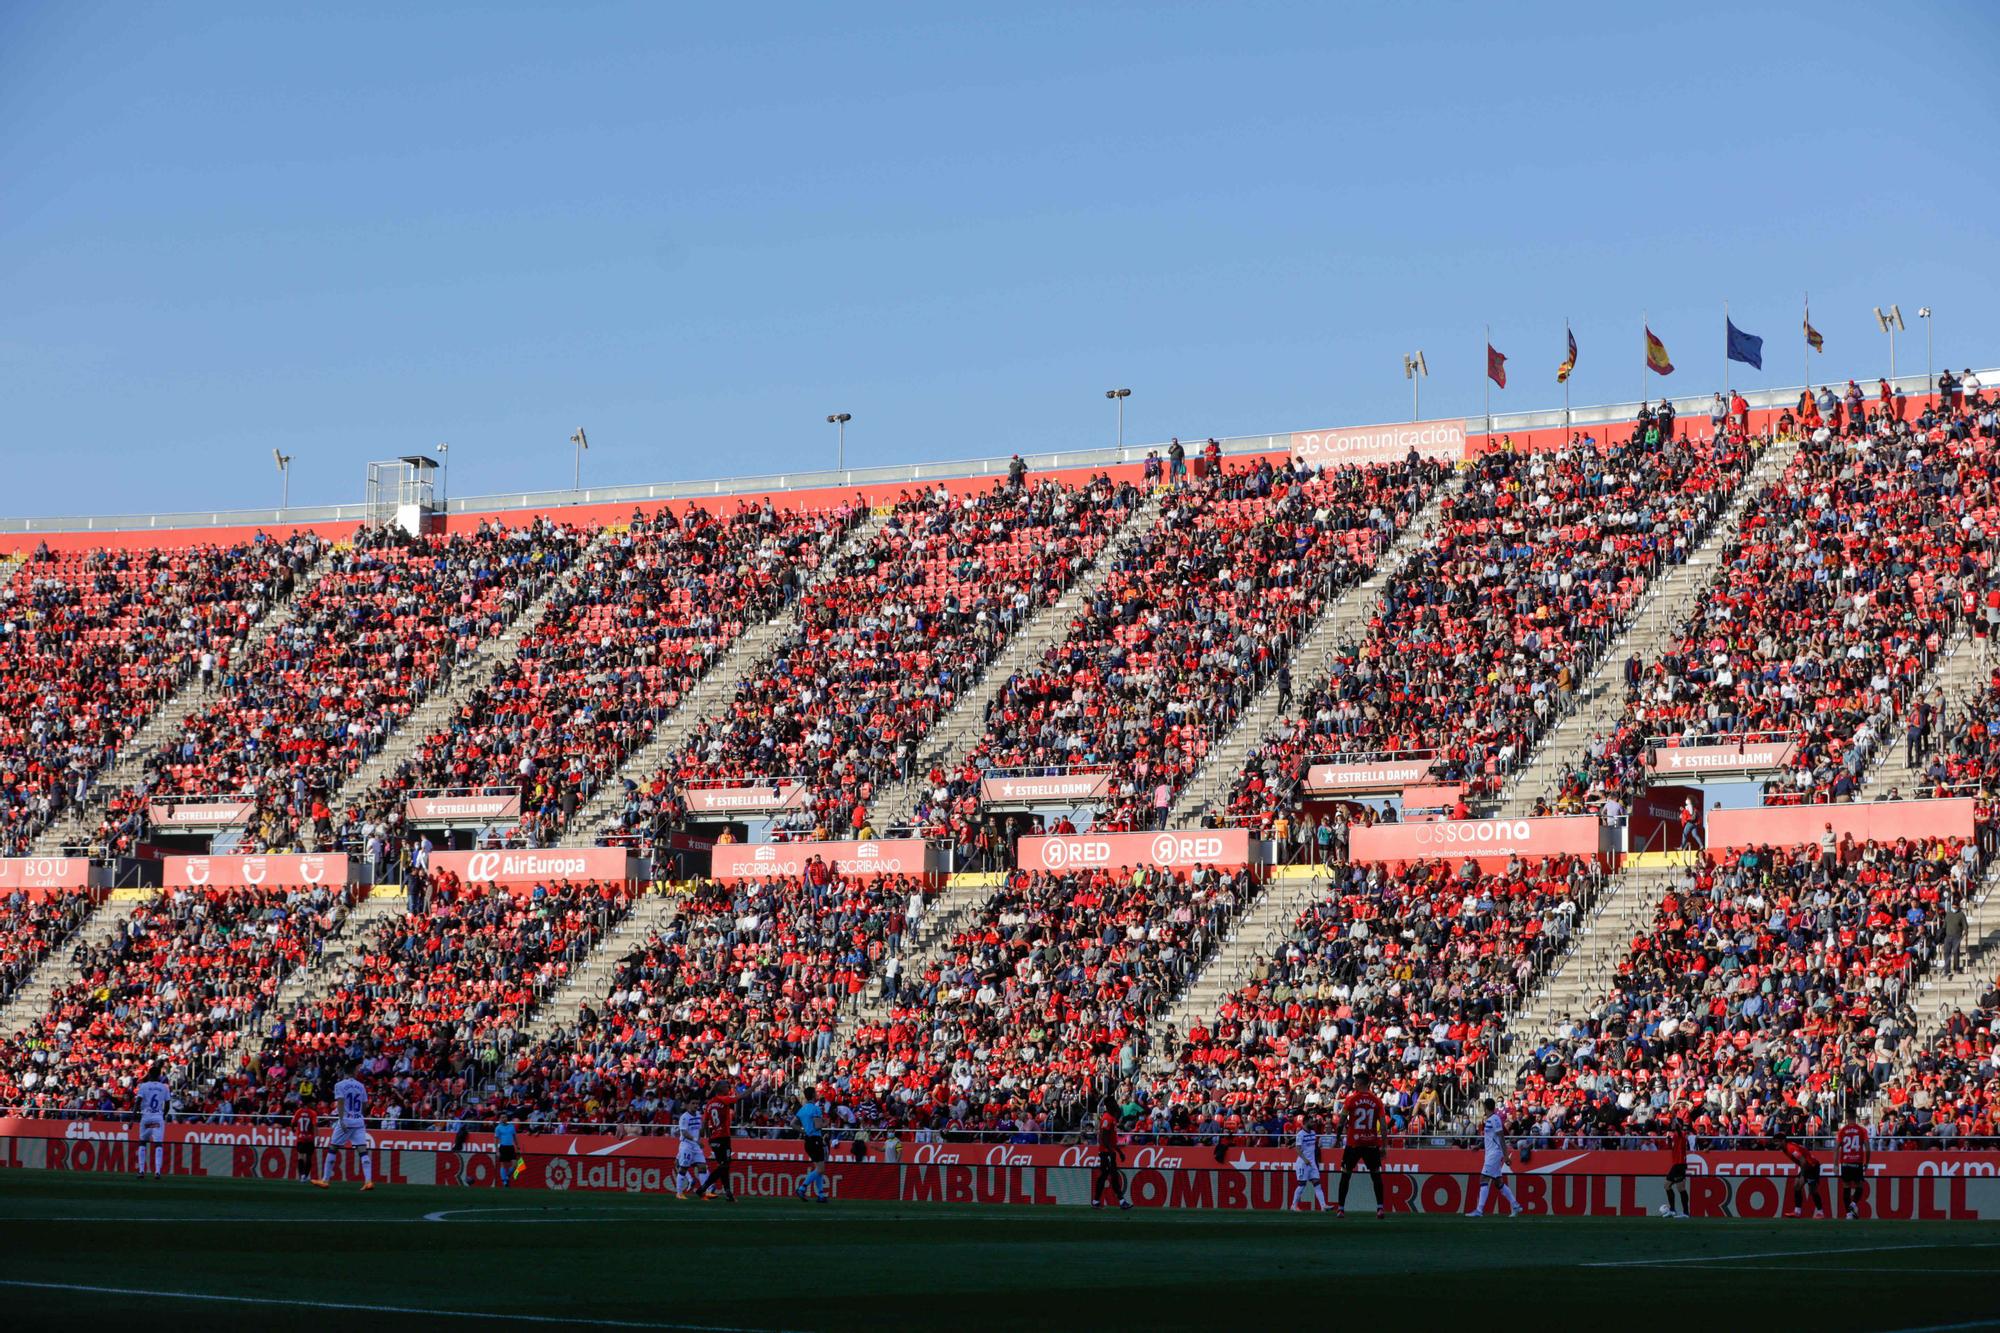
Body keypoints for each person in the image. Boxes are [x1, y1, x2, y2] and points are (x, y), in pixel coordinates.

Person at [1334, 1071, 1388, 1219]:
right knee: (1376, 1176)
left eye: (1356, 1081)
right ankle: (1380, 1208)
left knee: (1346, 1175)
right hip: (1371, 1143)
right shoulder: (1377, 1101)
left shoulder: (1350, 1100)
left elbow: (1341, 1122)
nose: (1354, 1084)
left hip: (1354, 1143)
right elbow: (1383, 1126)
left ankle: (1341, 1209)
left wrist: (1338, 1138)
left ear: (1360, 1083)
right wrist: (1384, 1146)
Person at [315, 1064, 376, 1190]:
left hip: (346, 1121)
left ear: (344, 1073)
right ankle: (368, 1181)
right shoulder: (361, 1086)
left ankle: (325, 1180)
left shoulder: (340, 1085)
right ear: (354, 1073)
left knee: (333, 1148)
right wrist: (358, 1114)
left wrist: (342, 1119)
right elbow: (365, 1104)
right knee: (362, 1151)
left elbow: (341, 1102)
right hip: (359, 1121)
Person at [1468, 1098, 1519, 1218]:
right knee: (1498, 1182)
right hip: (1491, 1153)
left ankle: (1479, 1210)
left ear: (1486, 1107)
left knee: (1483, 1179)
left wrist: (1506, 1155)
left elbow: (1501, 1137)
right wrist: (1479, 1146)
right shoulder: (1490, 1120)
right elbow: (1490, 1138)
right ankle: (1516, 1205)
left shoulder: (1495, 1119)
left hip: (1495, 1154)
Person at [133, 1064, 171, 1180]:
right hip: (158, 1117)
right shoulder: (164, 1087)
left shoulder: (144, 1086)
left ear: (149, 1075)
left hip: (146, 1116)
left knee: (142, 1142)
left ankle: (141, 1171)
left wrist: (134, 1117)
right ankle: (158, 1172)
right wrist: (162, 1116)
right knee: (158, 1144)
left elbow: (138, 1102)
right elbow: (168, 1105)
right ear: (159, 1075)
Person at [701, 1085, 737, 1201]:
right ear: (721, 1090)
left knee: (723, 1166)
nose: (729, 1089)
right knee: (724, 1165)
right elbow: (741, 1096)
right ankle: (704, 1187)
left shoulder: (710, 1103)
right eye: (727, 1087)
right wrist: (754, 1087)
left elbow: (705, 1122)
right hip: (723, 1138)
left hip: (714, 1138)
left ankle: (728, 1193)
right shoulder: (724, 1099)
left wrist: (708, 1136)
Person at [1777, 1133, 1825, 1219]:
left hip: (1812, 1166)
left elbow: (1803, 1161)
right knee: (1796, 1185)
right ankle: (1797, 1211)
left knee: (1812, 1190)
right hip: (1807, 1167)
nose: (1775, 1144)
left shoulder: (1790, 1148)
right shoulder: (1785, 1148)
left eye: (1777, 1142)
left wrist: (1802, 1175)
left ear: (1783, 1141)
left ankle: (1820, 1212)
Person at [1091, 1112, 1131, 1210]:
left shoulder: (1111, 1120)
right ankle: (1121, 1201)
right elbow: (1104, 1138)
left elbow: (1112, 1142)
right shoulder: (1107, 1119)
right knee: (1112, 1176)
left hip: (1108, 1152)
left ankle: (1096, 1201)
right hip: (1106, 1153)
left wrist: (1119, 1152)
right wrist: (1110, 1151)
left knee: (1107, 1176)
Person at [795, 1091, 830, 1202]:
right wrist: (826, 1123)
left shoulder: (802, 1109)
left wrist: (803, 1131)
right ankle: (802, 1188)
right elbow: (818, 1125)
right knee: (821, 1169)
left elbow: (792, 1123)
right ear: (814, 1096)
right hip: (815, 1140)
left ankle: (821, 1195)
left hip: (808, 1140)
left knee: (819, 1169)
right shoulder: (816, 1109)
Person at [1836, 1112, 1871, 1220]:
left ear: (1846, 1119)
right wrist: (1867, 1163)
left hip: (1845, 1163)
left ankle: (1848, 1214)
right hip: (1857, 1162)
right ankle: (1853, 1204)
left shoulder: (1842, 1131)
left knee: (1846, 1187)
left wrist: (1835, 1164)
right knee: (1859, 1186)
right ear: (1855, 1119)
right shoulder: (1862, 1130)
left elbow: (1836, 1148)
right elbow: (1868, 1149)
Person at [1291, 1115, 1328, 1212]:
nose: (1313, 1124)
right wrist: (1305, 1159)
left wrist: (1316, 1160)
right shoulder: (1300, 1134)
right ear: (1306, 1122)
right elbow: (1298, 1149)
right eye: (1311, 1122)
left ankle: (1323, 1206)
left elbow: (1312, 1147)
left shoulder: (1313, 1133)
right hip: (1303, 1163)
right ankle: (1294, 1205)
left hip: (1312, 1163)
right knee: (1302, 1185)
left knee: (1317, 1183)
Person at [1661, 1113, 1691, 1219]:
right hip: (1677, 1164)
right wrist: (1669, 1140)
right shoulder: (1674, 1136)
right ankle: (1678, 1211)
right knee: (1678, 1187)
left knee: (1670, 1186)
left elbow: (1678, 1129)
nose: (1672, 1125)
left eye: (1674, 1123)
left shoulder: (1681, 1134)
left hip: (1680, 1164)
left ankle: (1681, 1212)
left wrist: (1674, 1118)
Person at [674, 1105, 706, 1200]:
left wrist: (704, 1124)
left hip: (696, 1146)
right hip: (686, 1145)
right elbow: (684, 1133)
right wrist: (696, 1140)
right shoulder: (684, 1117)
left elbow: (702, 1133)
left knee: (702, 1167)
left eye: (697, 1103)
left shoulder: (699, 1115)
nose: (696, 1105)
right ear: (688, 1105)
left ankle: (704, 1193)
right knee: (683, 1168)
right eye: (693, 1103)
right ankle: (679, 1193)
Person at [292, 1102, 320, 1183]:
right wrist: (317, 1137)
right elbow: (315, 1125)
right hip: (309, 1138)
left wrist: (293, 1129)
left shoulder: (298, 1112)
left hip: (300, 1137)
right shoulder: (312, 1113)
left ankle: (302, 1175)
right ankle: (306, 1176)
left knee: (300, 1156)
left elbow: (293, 1123)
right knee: (308, 1157)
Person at [495, 1115, 519, 1188]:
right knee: (503, 1165)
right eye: (502, 1117)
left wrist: (517, 1146)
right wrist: (497, 1151)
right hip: (503, 1147)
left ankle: (507, 1177)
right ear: (500, 1119)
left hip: (511, 1147)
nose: (503, 1118)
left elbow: (515, 1137)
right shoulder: (498, 1128)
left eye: (505, 1117)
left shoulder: (512, 1126)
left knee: (515, 1165)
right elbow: (496, 1140)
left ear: (507, 1118)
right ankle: (505, 1182)